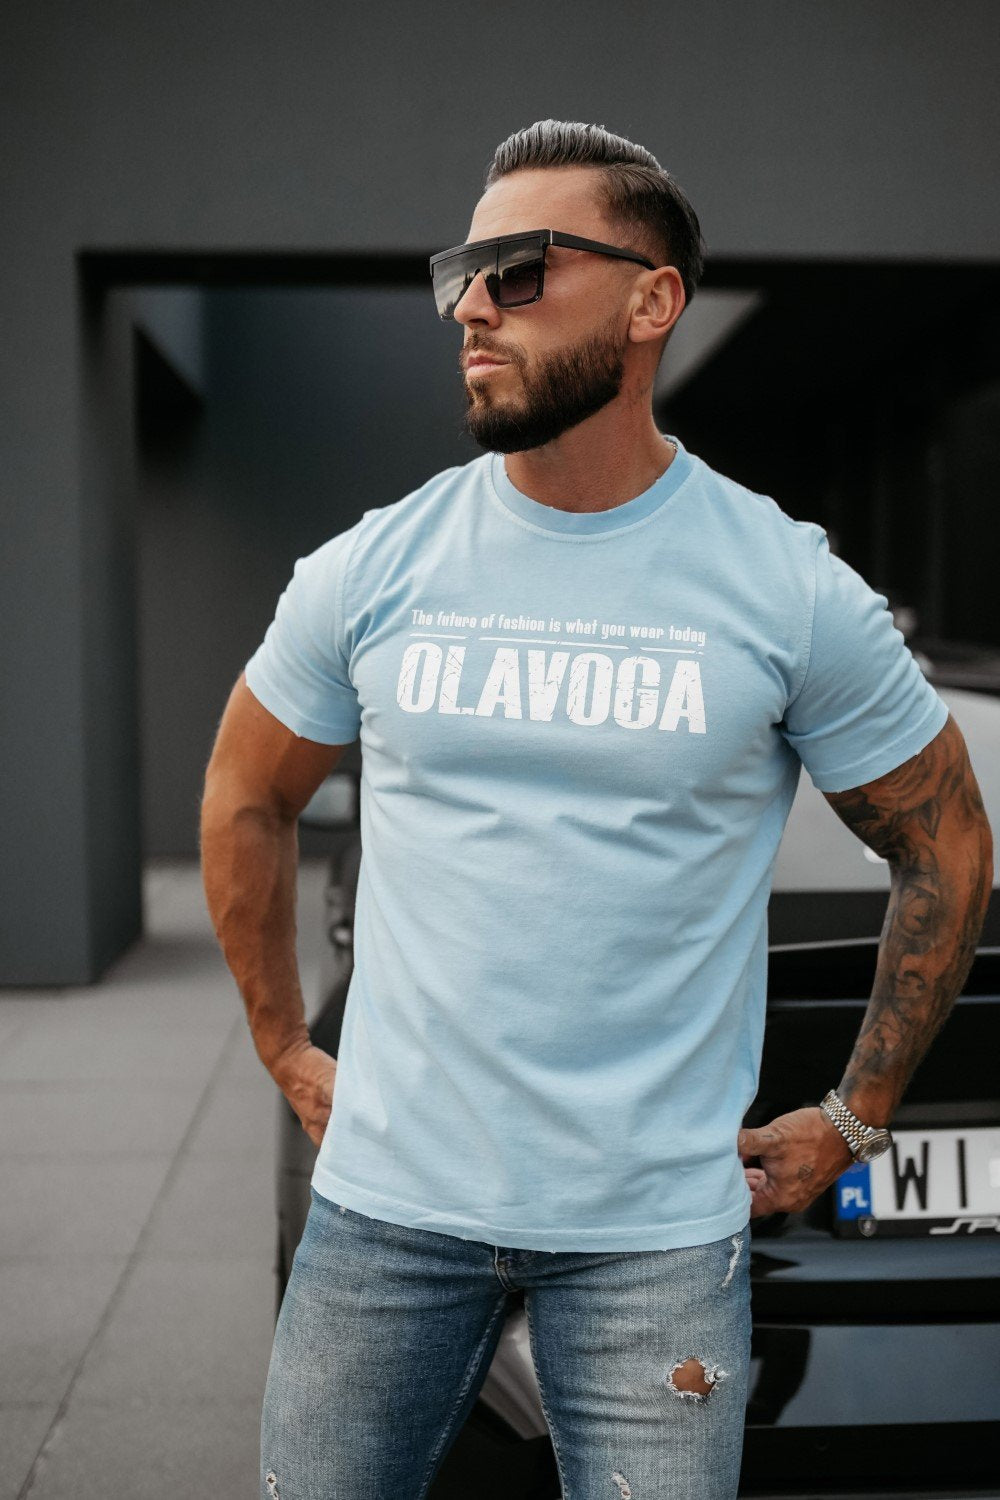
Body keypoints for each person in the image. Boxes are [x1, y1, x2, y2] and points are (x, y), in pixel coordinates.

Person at [200, 119, 993, 1500]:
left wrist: (857, 1118)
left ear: (651, 300)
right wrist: (280, 1044)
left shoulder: (785, 587)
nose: (470, 307)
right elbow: (244, 795)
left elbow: (950, 844)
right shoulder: (373, 569)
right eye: (460, 274)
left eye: (517, 270)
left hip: (655, 1243)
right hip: (387, 1216)